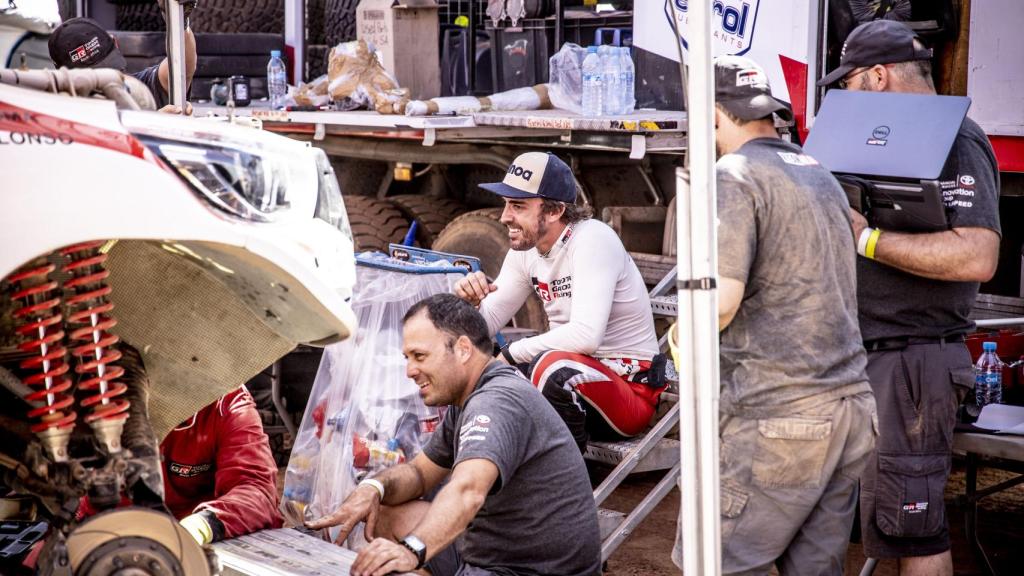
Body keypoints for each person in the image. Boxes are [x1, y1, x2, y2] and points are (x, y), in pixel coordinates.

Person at [673, 55, 877, 575]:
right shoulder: (819, 174)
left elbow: (720, 303)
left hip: (779, 417)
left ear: (714, 113)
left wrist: (678, 338)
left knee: (714, 564)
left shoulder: (733, 175)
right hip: (849, 409)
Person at [818, 20, 1001, 576]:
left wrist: (866, 238)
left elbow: (977, 256)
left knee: (913, 530)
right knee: (878, 526)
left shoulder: (958, 140)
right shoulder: (880, 136)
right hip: (861, 358)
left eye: (848, 83)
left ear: (877, 76)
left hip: (911, 362)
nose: (844, 98)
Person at [307, 293, 601, 576]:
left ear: (462, 349)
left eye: (419, 356)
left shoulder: (496, 401)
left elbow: (467, 491)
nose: (409, 370)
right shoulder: (470, 397)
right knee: (384, 512)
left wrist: (412, 550)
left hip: (529, 569)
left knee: (395, 560)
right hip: (495, 552)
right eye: (407, 357)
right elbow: (420, 474)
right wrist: (373, 488)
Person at [452, 151, 663, 453]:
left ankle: (566, 487)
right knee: (466, 363)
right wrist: (467, 303)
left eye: (518, 206)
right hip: (570, 380)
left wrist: (510, 355)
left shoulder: (593, 239)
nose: (504, 216)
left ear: (554, 211)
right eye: (506, 204)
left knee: (550, 366)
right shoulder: (525, 251)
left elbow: (585, 336)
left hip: (629, 388)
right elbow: (481, 327)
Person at [161, 385, 284, 544]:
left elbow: (256, 488)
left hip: (198, 538)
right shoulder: (121, 396)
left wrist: (203, 525)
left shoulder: (228, 402)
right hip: (128, 528)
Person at [47, 7, 196, 111]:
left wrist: (180, 22)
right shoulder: (64, 118)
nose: (106, 83)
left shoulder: (137, 88)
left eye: (109, 70)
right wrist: (154, 125)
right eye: (94, 80)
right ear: (63, 79)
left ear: (116, 43)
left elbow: (182, 67)